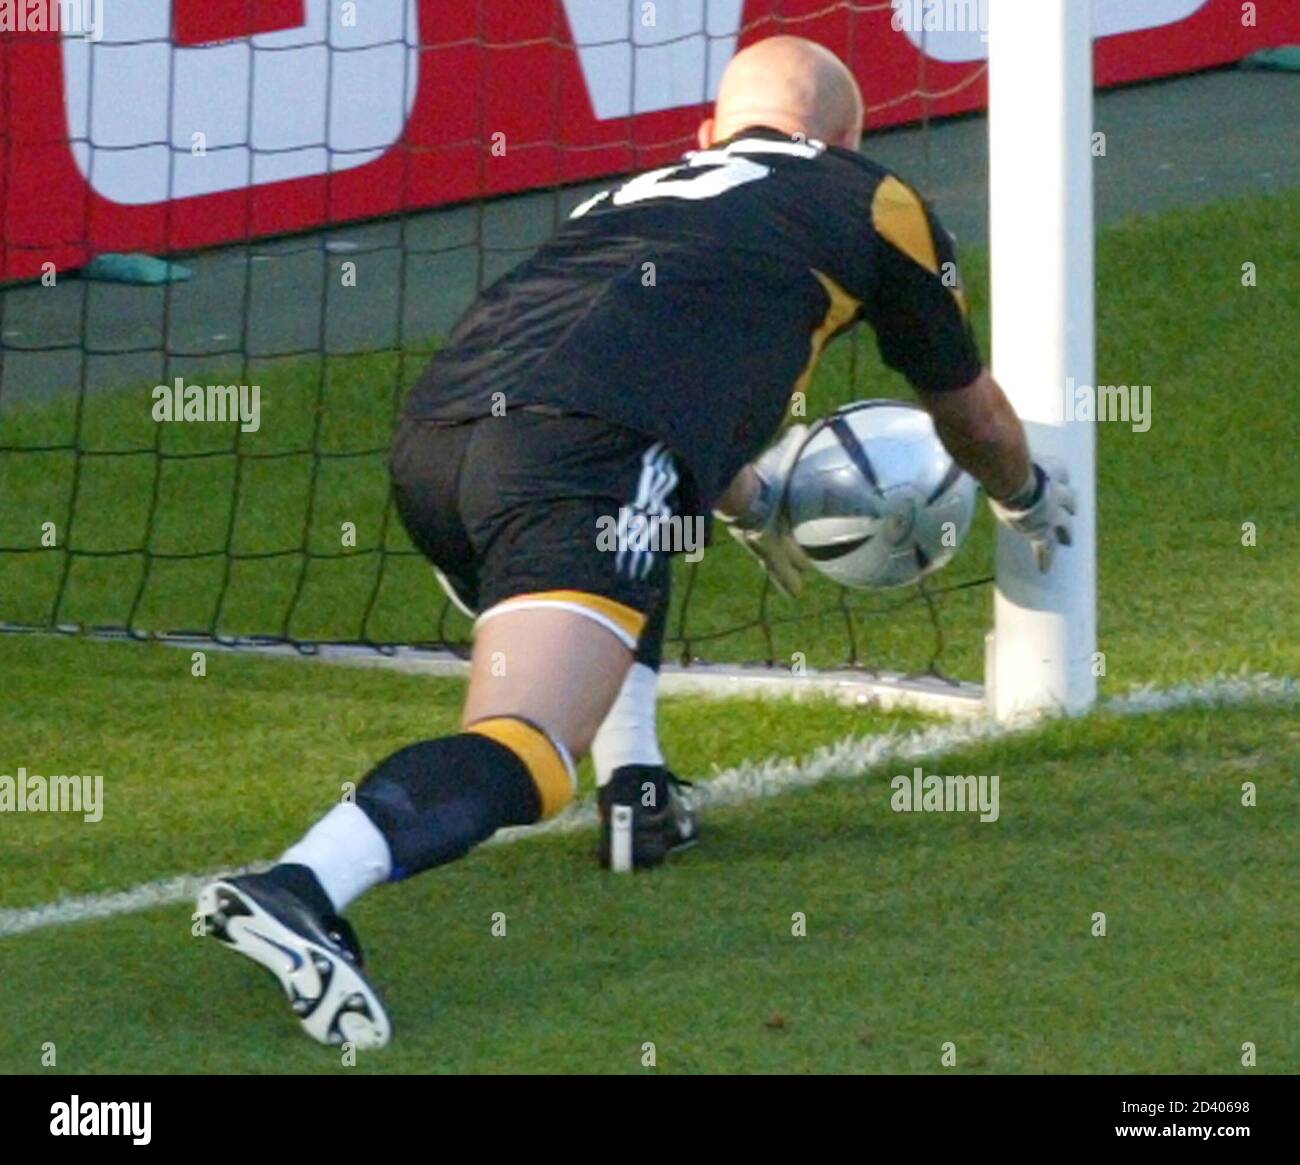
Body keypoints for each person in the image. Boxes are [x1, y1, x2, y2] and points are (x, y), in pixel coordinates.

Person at [198, 35, 1074, 1049]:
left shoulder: (627, 198)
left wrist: (746, 500)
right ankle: (302, 885)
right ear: (847, 136)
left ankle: (638, 786)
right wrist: (1027, 494)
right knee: (528, 746)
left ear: (709, 134)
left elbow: (655, 391)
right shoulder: (869, 198)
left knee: (647, 513)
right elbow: (973, 420)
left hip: (435, 450)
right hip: (582, 455)